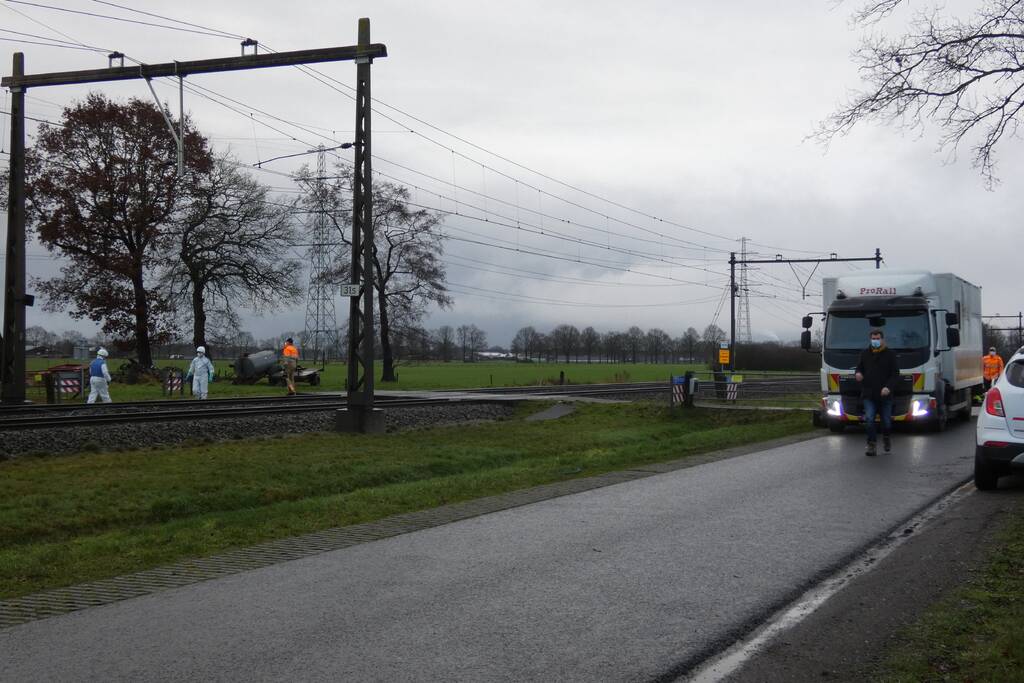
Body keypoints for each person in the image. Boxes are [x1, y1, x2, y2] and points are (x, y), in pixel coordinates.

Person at [855, 329, 899, 456]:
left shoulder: (890, 354)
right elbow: (859, 368)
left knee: (886, 422)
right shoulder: (864, 354)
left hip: (885, 395)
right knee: (869, 419)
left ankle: (886, 438)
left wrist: (888, 387)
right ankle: (871, 445)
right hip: (869, 394)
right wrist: (858, 373)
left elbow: (895, 374)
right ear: (870, 339)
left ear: (882, 339)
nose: (875, 341)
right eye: (873, 338)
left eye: (877, 338)